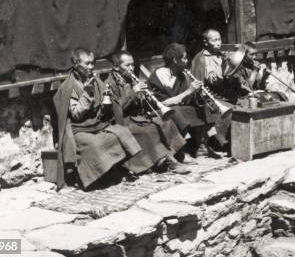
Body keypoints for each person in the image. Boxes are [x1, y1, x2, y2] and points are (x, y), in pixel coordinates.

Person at [52, 48, 141, 190]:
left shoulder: (96, 81)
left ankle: (113, 170)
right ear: (75, 64)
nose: (91, 67)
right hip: (78, 129)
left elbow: (107, 104)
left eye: (92, 63)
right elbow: (76, 114)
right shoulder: (69, 86)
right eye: (87, 64)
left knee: (122, 132)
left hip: (96, 124)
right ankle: (95, 177)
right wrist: (87, 94)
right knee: (95, 144)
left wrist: (108, 101)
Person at [106, 51, 190, 175]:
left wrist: (146, 96)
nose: (131, 68)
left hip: (137, 116)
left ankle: (176, 155)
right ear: (116, 67)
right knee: (148, 130)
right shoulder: (110, 83)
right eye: (127, 65)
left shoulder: (130, 78)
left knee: (166, 121)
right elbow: (117, 109)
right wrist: (134, 93)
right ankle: (167, 161)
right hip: (122, 119)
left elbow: (140, 103)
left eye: (132, 65)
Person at [148, 43, 208, 158]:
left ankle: (200, 145)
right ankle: (182, 150)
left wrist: (196, 93)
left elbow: (184, 97)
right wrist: (188, 91)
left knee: (202, 107)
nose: (186, 61)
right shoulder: (159, 74)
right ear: (175, 60)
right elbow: (162, 103)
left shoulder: (181, 74)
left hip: (177, 105)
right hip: (160, 109)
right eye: (184, 58)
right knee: (177, 112)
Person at [191, 29, 235, 148]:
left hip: (224, 94)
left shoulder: (222, 55)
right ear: (206, 42)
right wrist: (225, 71)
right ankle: (218, 142)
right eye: (214, 40)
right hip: (209, 97)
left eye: (219, 39)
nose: (218, 42)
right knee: (231, 111)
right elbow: (210, 81)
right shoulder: (201, 59)